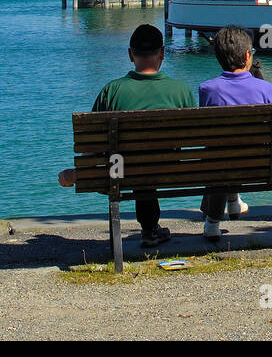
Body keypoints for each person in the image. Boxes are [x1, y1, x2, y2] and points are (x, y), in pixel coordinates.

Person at [63, 24, 194, 249]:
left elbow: (91, 147)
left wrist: (80, 172)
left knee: (133, 163)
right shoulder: (181, 91)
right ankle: (150, 228)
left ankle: (149, 229)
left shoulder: (111, 91)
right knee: (148, 162)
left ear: (130, 54)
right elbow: (193, 140)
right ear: (162, 53)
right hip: (172, 169)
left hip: (121, 171)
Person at [197, 26, 272, 240]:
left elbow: (206, 133)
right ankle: (233, 202)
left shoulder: (207, 89)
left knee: (220, 151)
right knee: (234, 151)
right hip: (258, 163)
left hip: (219, 164)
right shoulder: (265, 88)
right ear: (247, 56)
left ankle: (212, 222)